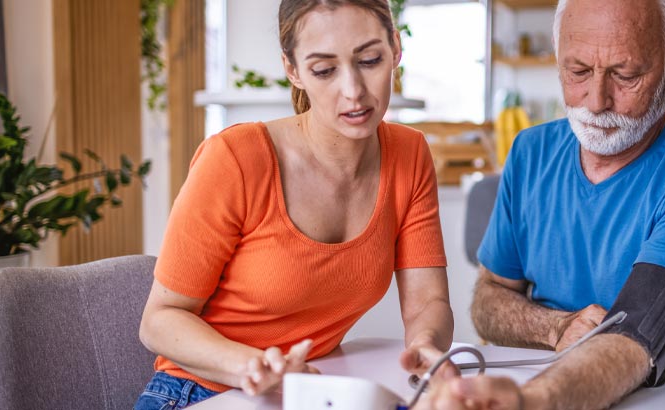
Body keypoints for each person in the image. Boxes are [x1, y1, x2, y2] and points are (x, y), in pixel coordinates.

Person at [414, 0, 665, 408]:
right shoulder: (530, 151)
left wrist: (534, 401)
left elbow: (639, 334)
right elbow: (488, 299)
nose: (596, 102)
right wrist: (556, 327)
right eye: (577, 72)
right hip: (553, 385)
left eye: (625, 75)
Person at [135, 1, 454, 408]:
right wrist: (254, 367)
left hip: (310, 390)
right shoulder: (235, 159)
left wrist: (426, 347)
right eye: (324, 70)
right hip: (197, 393)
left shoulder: (409, 154)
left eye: (370, 60)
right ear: (293, 70)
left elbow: (428, 301)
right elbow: (158, 322)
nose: (354, 91)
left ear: (395, 48)